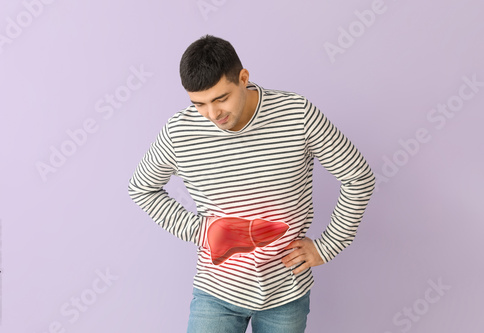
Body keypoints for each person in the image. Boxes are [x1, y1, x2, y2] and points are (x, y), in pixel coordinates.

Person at [128, 34, 376, 333]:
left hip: (286, 292)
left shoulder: (297, 115)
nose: (212, 114)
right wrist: (200, 231)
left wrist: (329, 245)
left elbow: (358, 176)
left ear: (243, 78)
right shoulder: (179, 133)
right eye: (199, 104)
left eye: (221, 98)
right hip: (215, 293)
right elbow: (142, 188)